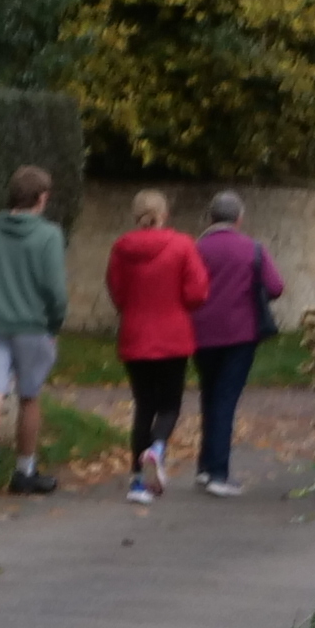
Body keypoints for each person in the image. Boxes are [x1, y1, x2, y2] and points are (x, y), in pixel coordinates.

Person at [0, 162, 69, 497]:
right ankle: (24, 470)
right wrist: (54, 323)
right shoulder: (48, 235)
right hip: (33, 326)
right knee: (29, 396)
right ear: (41, 198)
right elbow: (55, 290)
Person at [103, 186, 202, 503]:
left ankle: (136, 481)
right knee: (170, 404)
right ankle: (158, 447)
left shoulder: (121, 249)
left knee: (144, 405)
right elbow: (197, 292)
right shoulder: (182, 246)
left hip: (135, 334)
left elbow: (116, 290)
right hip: (173, 335)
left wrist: (131, 307)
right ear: (164, 214)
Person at [186, 188, 286, 498]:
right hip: (240, 334)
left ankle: (205, 466)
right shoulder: (252, 249)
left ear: (210, 217)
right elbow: (275, 286)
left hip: (201, 333)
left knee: (209, 396)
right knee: (226, 400)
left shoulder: (196, 248)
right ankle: (219, 472)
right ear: (239, 218)